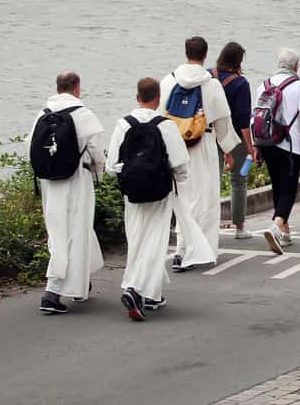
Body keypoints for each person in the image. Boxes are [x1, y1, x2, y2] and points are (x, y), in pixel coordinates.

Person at [104, 76, 195, 321]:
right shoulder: (165, 125)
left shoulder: (124, 124)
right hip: (159, 192)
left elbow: (112, 166)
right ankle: (136, 289)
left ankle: (152, 294)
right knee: (155, 242)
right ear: (157, 99)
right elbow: (180, 164)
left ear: (137, 97)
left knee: (137, 240)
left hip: (132, 193)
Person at [158, 36, 240, 270]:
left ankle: (180, 248)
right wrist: (228, 149)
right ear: (205, 56)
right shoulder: (211, 84)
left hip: (175, 144)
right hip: (202, 142)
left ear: (186, 53)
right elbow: (223, 121)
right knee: (204, 199)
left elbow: (160, 115)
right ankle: (196, 249)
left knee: (181, 197)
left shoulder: (168, 82)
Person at [28, 71, 105, 315]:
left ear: (58, 87)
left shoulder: (42, 114)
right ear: (77, 88)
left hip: (49, 183)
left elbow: (29, 146)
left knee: (58, 232)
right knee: (74, 233)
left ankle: (81, 280)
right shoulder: (84, 115)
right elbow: (97, 153)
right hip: (76, 179)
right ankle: (53, 291)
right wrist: (99, 177)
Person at [259, 48, 300, 255]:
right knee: (289, 189)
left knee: (277, 186)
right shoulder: (299, 85)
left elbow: (255, 116)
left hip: (267, 143)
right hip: (290, 144)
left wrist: (256, 146)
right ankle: (276, 224)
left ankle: (285, 232)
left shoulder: (263, 85)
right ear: (296, 66)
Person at [214, 41, 256, 240]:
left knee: (210, 180)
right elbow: (242, 120)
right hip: (233, 137)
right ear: (238, 61)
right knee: (238, 181)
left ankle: (208, 224)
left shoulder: (208, 75)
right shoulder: (240, 84)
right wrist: (250, 146)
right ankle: (239, 227)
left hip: (208, 134)